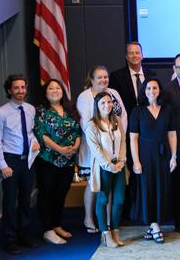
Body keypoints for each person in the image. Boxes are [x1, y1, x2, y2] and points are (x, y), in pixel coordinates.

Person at [0, 74, 40, 253]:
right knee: (10, 202)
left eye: (23, 87)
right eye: (17, 88)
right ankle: (10, 240)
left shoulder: (30, 109)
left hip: (27, 160)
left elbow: (29, 132)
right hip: (10, 161)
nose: (21, 91)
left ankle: (24, 235)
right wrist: (3, 165)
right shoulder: (1, 113)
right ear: (9, 90)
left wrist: (34, 141)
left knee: (26, 200)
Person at [78, 65, 127, 235]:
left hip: (114, 146)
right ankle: (89, 219)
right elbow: (86, 123)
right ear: (91, 79)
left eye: (105, 77)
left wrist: (118, 137)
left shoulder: (113, 93)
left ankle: (108, 223)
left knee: (114, 192)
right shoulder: (84, 97)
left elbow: (123, 116)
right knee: (96, 186)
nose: (103, 80)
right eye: (99, 77)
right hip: (96, 149)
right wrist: (104, 143)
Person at [127, 78, 177, 244]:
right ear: (144, 91)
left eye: (155, 87)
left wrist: (174, 156)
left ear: (159, 90)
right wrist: (136, 161)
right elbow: (133, 138)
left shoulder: (167, 109)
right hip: (145, 156)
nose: (151, 91)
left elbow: (172, 133)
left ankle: (154, 226)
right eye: (148, 88)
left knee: (160, 189)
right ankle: (155, 226)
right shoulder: (137, 111)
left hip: (163, 155)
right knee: (148, 189)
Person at [33, 79, 80, 246]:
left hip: (67, 161)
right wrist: (60, 149)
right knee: (47, 194)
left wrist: (75, 146)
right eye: (51, 88)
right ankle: (48, 230)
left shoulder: (70, 110)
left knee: (61, 194)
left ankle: (56, 225)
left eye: (58, 88)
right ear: (45, 93)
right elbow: (42, 135)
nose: (55, 91)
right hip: (48, 160)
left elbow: (78, 130)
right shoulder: (41, 112)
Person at [85, 90, 128, 248]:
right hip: (104, 167)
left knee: (119, 199)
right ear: (97, 105)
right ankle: (105, 233)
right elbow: (95, 149)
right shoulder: (91, 125)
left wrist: (122, 161)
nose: (107, 105)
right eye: (103, 102)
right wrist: (109, 165)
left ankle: (115, 229)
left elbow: (123, 141)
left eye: (109, 102)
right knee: (103, 199)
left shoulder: (117, 120)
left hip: (119, 166)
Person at [111, 42, 153, 117]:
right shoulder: (116, 77)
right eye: (131, 53)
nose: (134, 55)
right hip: (127, 120)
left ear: (142, 56)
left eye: (137, 53)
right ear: (126, 56)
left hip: (149, 120)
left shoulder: (151, 75)